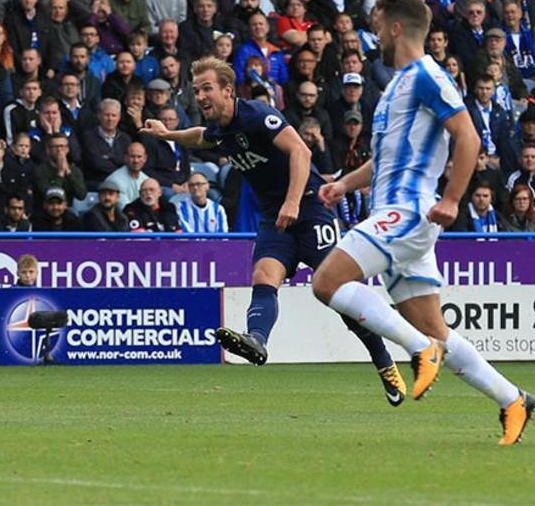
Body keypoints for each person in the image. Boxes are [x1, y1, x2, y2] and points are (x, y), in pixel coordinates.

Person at [312, 0, 535, 445]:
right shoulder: (396, 84)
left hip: (408, 212)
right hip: (395, 214)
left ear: (395, 27)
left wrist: (453, 199)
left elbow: (468, 136)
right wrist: (343, 184)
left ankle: (418, 351)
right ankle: (514, 399)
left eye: (377, 24)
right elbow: (385, 160)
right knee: (437, 330)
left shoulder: (428, 76)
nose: (372, 33)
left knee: (327, 283)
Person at [144, 56, 402, 404]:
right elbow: (200, 138)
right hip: (275, 218)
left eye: (207, 88)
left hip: (309, 210)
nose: (201, 95)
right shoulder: (220, 129)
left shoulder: (254, 115)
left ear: (227, 90)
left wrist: (293, 201)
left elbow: (300, 150)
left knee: (339, 295)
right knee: (264, 275)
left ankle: (384, 362)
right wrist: (168, 134)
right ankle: (257, 341)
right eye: (196, 90)